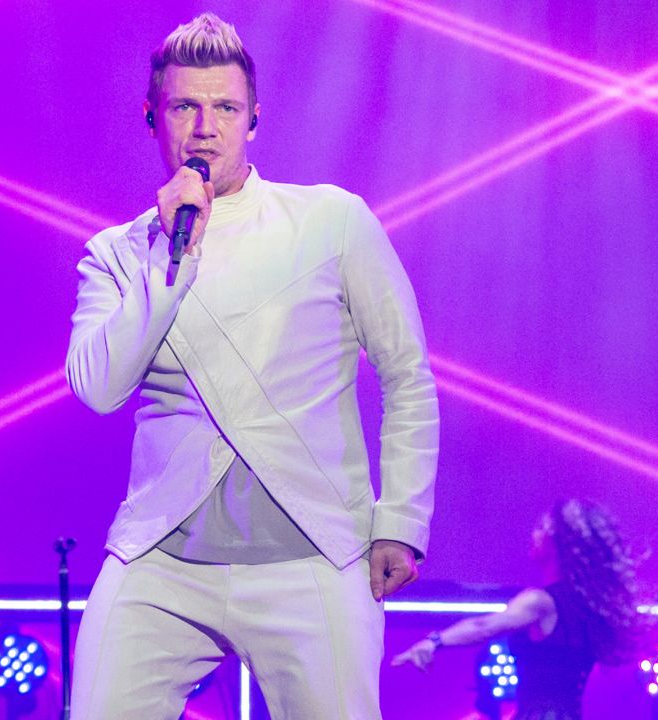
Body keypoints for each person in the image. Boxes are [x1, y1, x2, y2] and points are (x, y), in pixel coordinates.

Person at [64, 12, 440, 719]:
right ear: (152, 117)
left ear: (254, 119)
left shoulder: (331, 222)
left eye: (226, 108)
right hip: (161, 561)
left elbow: (406, 372)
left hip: (312, 557)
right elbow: (98, 387)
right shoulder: (120, 253)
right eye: (185, 106)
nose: (205, 127)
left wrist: (401, 519)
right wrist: (172, 260)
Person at [391, 499, 650, 720]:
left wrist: (435, 641)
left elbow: (485, 627)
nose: (533, 534)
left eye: (541, 528)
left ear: (558, 542)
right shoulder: (588, 605)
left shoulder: (541, 602)